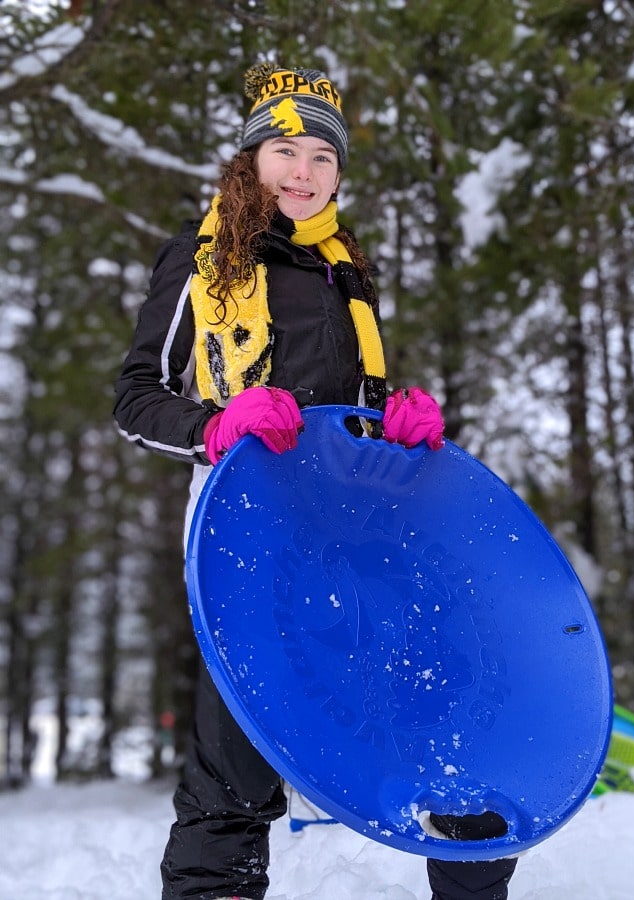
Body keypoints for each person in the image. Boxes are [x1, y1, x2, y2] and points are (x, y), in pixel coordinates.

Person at [114, 62, 518, 900]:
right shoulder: (193, 262)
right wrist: (214, 425)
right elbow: (134, 400)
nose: (303, 172)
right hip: (250, 540)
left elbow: (352, 411)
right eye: (285, 150)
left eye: (323, 158)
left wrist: (401, 422)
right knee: (233, 769)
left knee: (449, 735)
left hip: (361, 534)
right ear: (250, 159)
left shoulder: (347, 271)